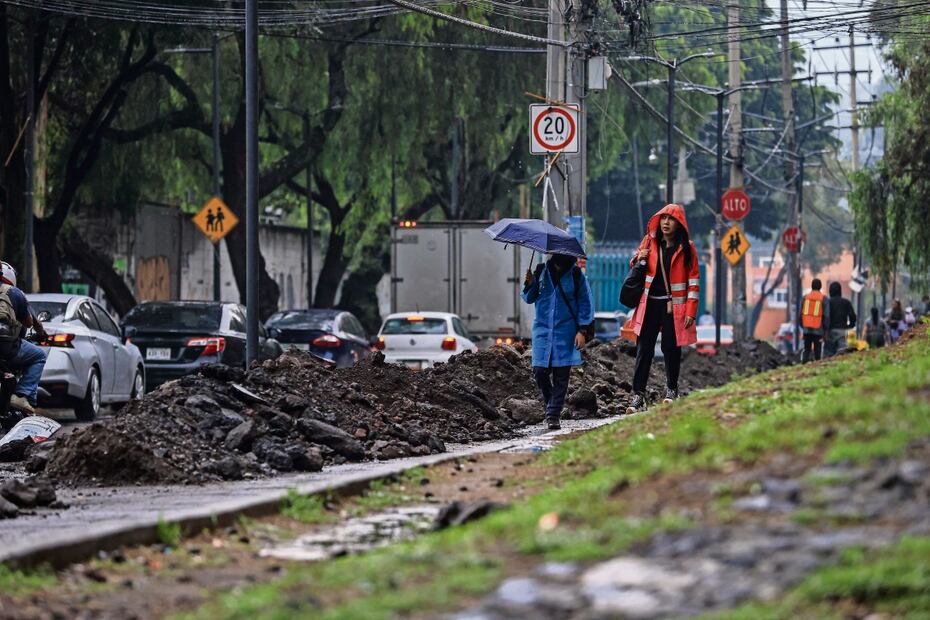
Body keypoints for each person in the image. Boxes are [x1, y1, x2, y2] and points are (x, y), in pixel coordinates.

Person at [624, 204, 700, 414]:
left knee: (671, 349)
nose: (666, 223)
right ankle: (638, 396)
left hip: (673, 308)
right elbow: (634, 265)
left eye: (671, 219)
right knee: (644, 350)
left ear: (679, 223)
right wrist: (639, 258)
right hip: (649, 304)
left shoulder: (687, 248)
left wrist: (691, 311)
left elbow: (694, 280)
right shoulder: (649, 241)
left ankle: (672, 390)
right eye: (664, 218)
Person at [522, 253, 594, 430]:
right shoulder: (541, 271)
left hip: (566, 332)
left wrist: (582, 331)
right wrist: (529, 283)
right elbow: (529, 298)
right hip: (542, 331)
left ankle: (553, 415)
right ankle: (551, 404)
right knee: (539, 371)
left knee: (561, 376)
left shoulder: (576, 275)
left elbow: (586, 303)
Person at [0, 262, 48, 414]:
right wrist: (41, 333)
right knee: (40, 356)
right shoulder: (14, 293)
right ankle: (22, 395)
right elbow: (29, 323)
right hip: (6, 348)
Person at [800, 278, 829, 363]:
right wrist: (826, 330)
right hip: (818, 329)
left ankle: (803, 365)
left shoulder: (805, 297)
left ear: (811, 286)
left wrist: (803, 326)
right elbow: (826, 316)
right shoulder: (823, 299)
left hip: (806, 329)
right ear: (820, 287)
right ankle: (817, 366)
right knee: (817, 351)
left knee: (806, 349)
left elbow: (800, 314)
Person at [823, 281, 856, 357]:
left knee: (828, 355)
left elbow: (824, 317)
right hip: (843, 331)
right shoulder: (846, 302)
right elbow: (853, 316)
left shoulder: (827, 302)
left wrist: (824, 330)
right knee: (843, 354)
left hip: (830, 332)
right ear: (840, 291)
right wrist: (850, 326)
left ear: (830, 291)